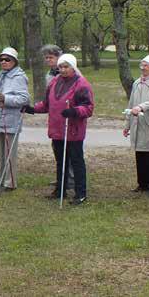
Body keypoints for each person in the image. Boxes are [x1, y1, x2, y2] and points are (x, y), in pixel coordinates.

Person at [25, 54, 94, 205]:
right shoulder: (55, 81)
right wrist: (32, 109)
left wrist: (75, 111)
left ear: (73, 67)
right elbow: (47, 104)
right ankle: (60, 189)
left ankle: (80, 193)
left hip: (73, 129)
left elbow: (88, 108)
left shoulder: (82, 84)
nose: (62, 70)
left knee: (76, 162)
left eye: (66, 67)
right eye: (60, 67)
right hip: (57, 128)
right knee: (60, 161)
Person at [0, 47, 30, 191]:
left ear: (14, 61)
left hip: (10, 120)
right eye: (1, 59)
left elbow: (24, 99)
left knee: (9, 154)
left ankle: (10, 183)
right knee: (1, 153)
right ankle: (2, 178)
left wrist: (7, 99)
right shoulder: (2, 74)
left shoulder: (19, 77)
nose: (3, 62)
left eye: (7, 59)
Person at [124, 55, 149, 197]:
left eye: (145, 65)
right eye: (142, 64)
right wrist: (127, 124)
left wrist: (141, 107)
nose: (142, 67)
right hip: (137, 123)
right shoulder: (137, 83)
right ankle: (143, 184)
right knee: (140, 153)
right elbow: (131, 104)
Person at [41, 44, 72, 188]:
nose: (48, 60)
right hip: (54, 117)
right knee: (57, 148)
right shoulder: (50, 75)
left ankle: (70, 178)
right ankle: (62, 177)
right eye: (46, 58)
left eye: (51, 57)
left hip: (67, 117)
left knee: (69, 149)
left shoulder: (66, 73)